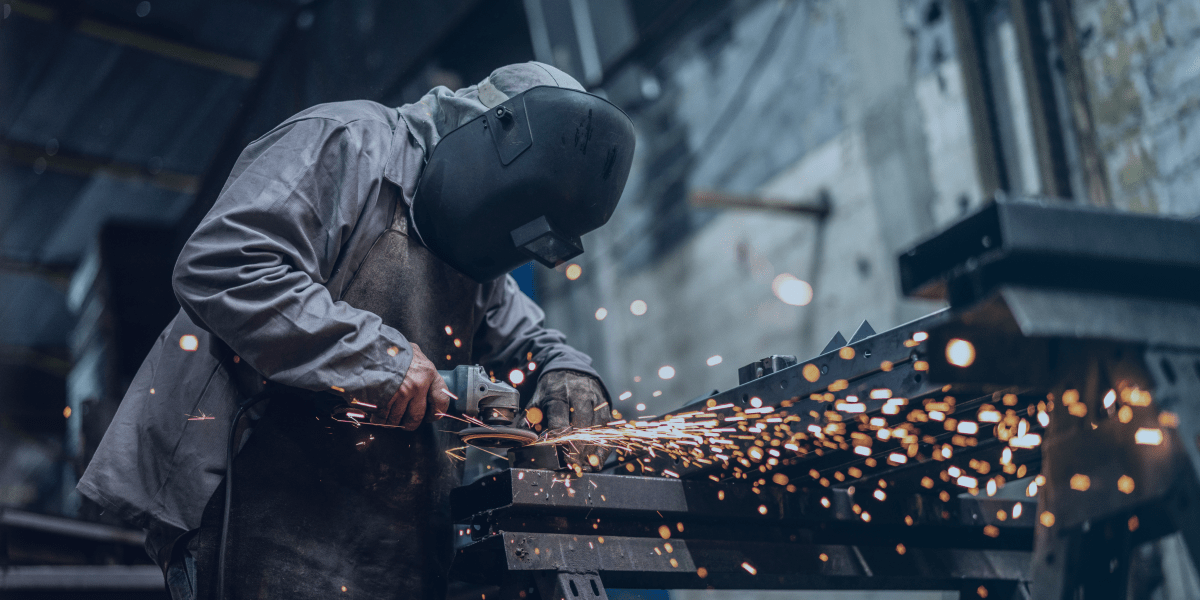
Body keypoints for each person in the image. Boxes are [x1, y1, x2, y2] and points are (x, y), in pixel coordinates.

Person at [77, 62, 635, 600]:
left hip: (388, 538)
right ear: (493, 139)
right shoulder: (345, 142)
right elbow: (223, 264)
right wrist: (381, 360)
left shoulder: (475, 242)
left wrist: (569, 374)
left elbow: (530, 342)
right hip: (253, 506)